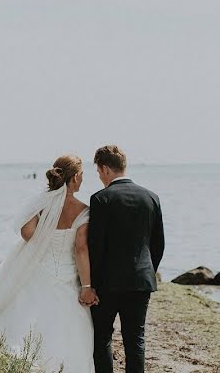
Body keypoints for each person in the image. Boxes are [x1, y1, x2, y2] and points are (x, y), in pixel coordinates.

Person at [0, 155, 96, 372]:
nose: (82, 180)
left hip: (41, 267)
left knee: (32, 313)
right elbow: (80, 249)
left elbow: (26, 232)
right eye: (82, 175)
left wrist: (45, 241)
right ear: (75, 177)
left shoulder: (42, 204)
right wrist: (86, 286)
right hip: (68, 275)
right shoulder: (83, 210)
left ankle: (28, 359)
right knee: (68, 321)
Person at [87, 145, 164, 373]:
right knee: (135, 340)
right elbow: (158, 244)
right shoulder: (151, 197)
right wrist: (147, 270)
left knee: (102, 338)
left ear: (105, 169)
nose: (100, 177)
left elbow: (96, 246)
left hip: (107, 283)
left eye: (99, 172)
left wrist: (91, 284)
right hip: (141, 281)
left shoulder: (101, 199)